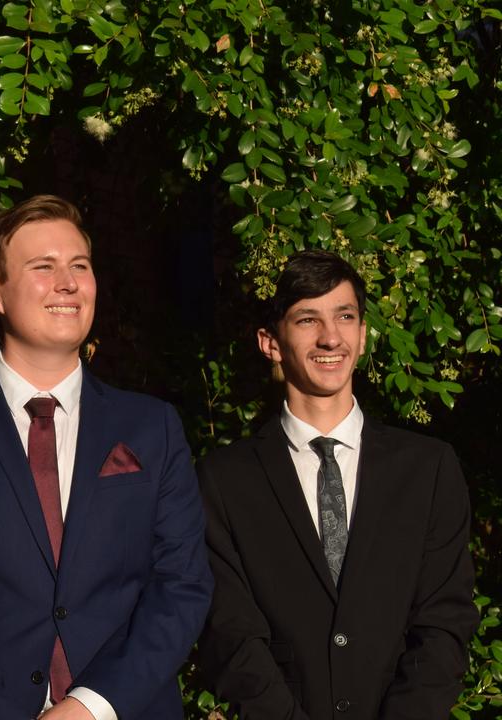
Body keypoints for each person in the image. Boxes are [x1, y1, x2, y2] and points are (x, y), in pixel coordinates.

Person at [0, 194, 213, 719]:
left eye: (80, 266)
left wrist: (89, 707)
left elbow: (182, 586)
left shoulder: (153, 428)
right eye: (44, 267)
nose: (69, 282)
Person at [196, 250, 476, 719]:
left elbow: (445, 623)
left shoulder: (428, 469)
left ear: (363, 336)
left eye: (344, 316)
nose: (330, 337)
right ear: (270, 342)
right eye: (308, 319)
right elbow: (231, 635)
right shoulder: (222, 481)